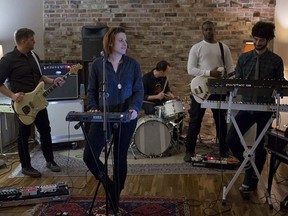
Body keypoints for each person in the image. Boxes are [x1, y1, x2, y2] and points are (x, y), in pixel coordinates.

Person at [83, 27, 144, 213]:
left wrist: (134, 108)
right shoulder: (97, 65)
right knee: (89, 156)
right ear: (110, 43)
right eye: (121, 40)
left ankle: (115, 197)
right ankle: (110, 185)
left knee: (119, 157)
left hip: (127, 117)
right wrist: (93, 106)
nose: (125, 44)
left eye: (126, 40)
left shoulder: (133, 65)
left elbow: (138, 90)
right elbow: (91, 90)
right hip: (103, 116)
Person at [226, 21, 284, 192]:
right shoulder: (244, 58)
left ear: (268, 40)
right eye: (256, 39)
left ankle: (251, 183)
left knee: (259, 146)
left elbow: (280, 83)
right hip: (247, 106)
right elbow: (238, 81)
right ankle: (248, 166)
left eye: (262, 40)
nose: (258, 43)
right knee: (231, 139)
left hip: (265, 108)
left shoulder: (276, 60)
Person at [0, 28, 64, 178]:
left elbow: (40, 77)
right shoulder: (8, 60)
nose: (34, 41)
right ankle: (26, 166)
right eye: (32, 39)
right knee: (23, 135)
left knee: (45, 130)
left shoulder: (34, 56)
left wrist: (53, 81)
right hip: (22, 104)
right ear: (23, 40)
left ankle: (50, 160)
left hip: (38, 102)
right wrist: (12, 95)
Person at [184, 21, 234, 162]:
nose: (208, 31)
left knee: (220, 121)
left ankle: (224, 150)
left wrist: (232, 78)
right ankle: (189, 151)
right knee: (195, 120)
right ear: (202, 31)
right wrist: (209, 72)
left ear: (214, 30)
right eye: (205, 29)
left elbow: (230, 70)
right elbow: (191, 69)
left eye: (210, 29)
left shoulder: (223, 48)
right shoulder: (196, 48)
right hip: (200, 89)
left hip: (219, 89)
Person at [142, 60, 184, 141]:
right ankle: (157, 138)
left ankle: (175, 138)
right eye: (166, 72)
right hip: (148, 103)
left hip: (160, 101)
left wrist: (170, 94)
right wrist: (156, 96)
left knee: (179, 113)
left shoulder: (163, 78)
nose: (167, 74)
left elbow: (167, 90)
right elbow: (143, 96)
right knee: (155, 112)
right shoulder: (146, 78)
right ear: (161, 71)